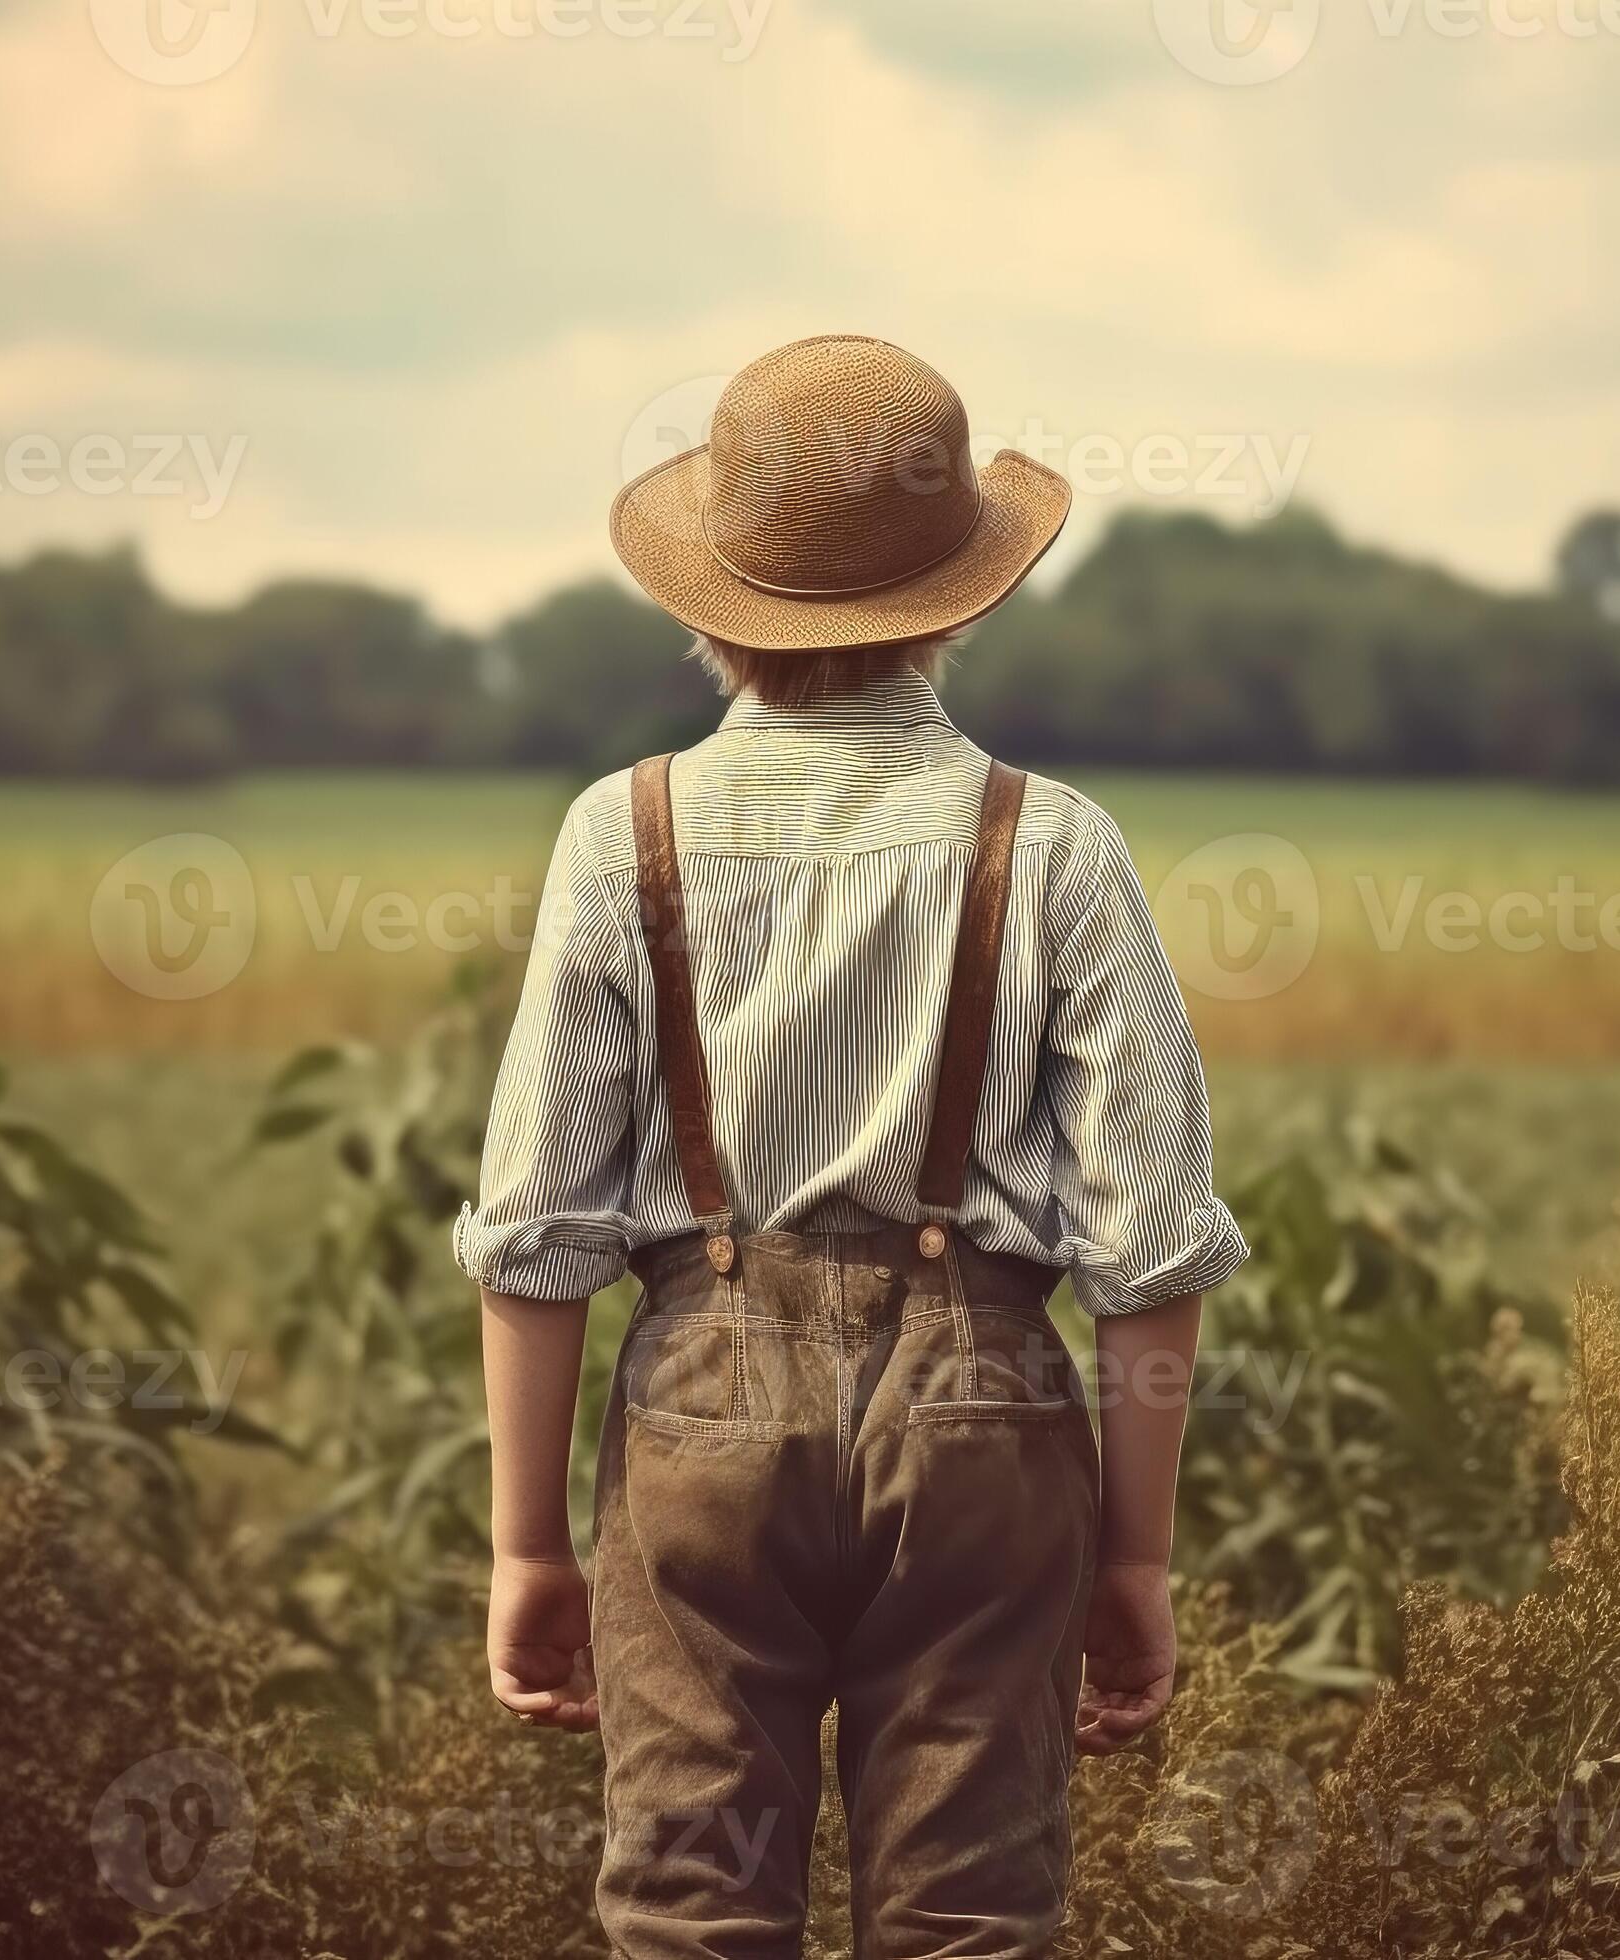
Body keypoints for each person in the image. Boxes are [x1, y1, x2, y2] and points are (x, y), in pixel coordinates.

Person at [456, 334, 1249, 1957]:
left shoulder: (625, 833)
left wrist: (528, 1543)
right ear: (957, 603)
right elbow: (1153, 1248)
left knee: (691, 1908)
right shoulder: (1062, 845)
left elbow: (536, 1231)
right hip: (984, 1407)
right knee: (968, 1913)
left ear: (709, 606)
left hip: (702, 1401)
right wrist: (1137, 1559)